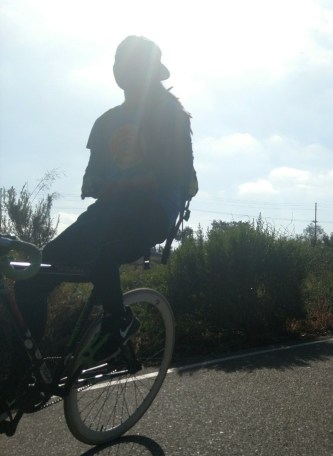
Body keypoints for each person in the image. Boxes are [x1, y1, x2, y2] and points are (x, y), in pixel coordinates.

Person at [15, 36, 197, 363]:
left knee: (104, 254)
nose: (122, 70)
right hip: (108, 212)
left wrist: (120, 186)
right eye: (119, 63)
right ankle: (24, 372)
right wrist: (95, 184)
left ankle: (119, 320)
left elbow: (174, 176)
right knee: (34, 274)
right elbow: (92, 177)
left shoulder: (171, 115)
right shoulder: (106, 122)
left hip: (152, 211)